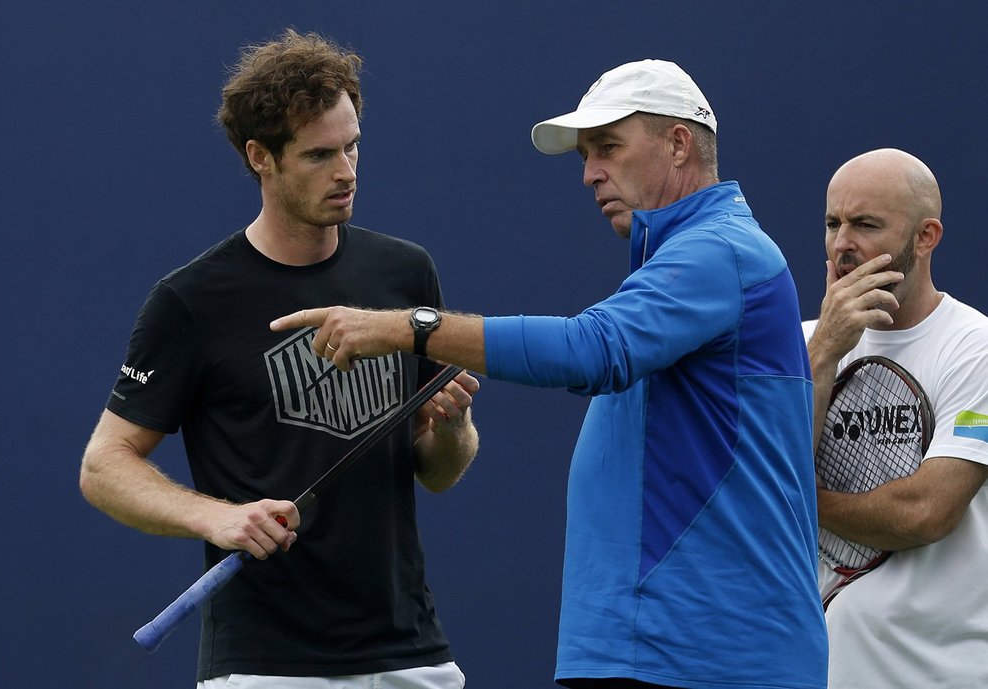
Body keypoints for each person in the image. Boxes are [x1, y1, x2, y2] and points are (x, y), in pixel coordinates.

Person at [271, 60, 828, 689]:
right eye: (587, 154)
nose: (590, 173)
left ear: (677, 144)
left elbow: (590, 349)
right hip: (652, 654)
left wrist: (407, 327)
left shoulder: (721, 250)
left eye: (609, 148)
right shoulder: (684, 262)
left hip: (712, 659)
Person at [78, 28, 480, 689]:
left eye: (353, 146)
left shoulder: (406, 274)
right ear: (260, 156)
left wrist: (452, 427)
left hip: (412, 655)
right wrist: (219, 516)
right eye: (320, 155)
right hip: (268, 668)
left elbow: (438, 470)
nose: (347, 171)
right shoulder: (190, 300)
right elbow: (103, 466)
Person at [804, 148, 988, 688]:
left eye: (865, 225)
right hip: (820, 671)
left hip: (941, 675)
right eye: (833, 224)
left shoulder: (978, 352)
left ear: (925, 237)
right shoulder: (800, 348)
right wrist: (823, 354)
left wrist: (798, 497)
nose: (843, 245)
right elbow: (753, 492)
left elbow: (925, 511)